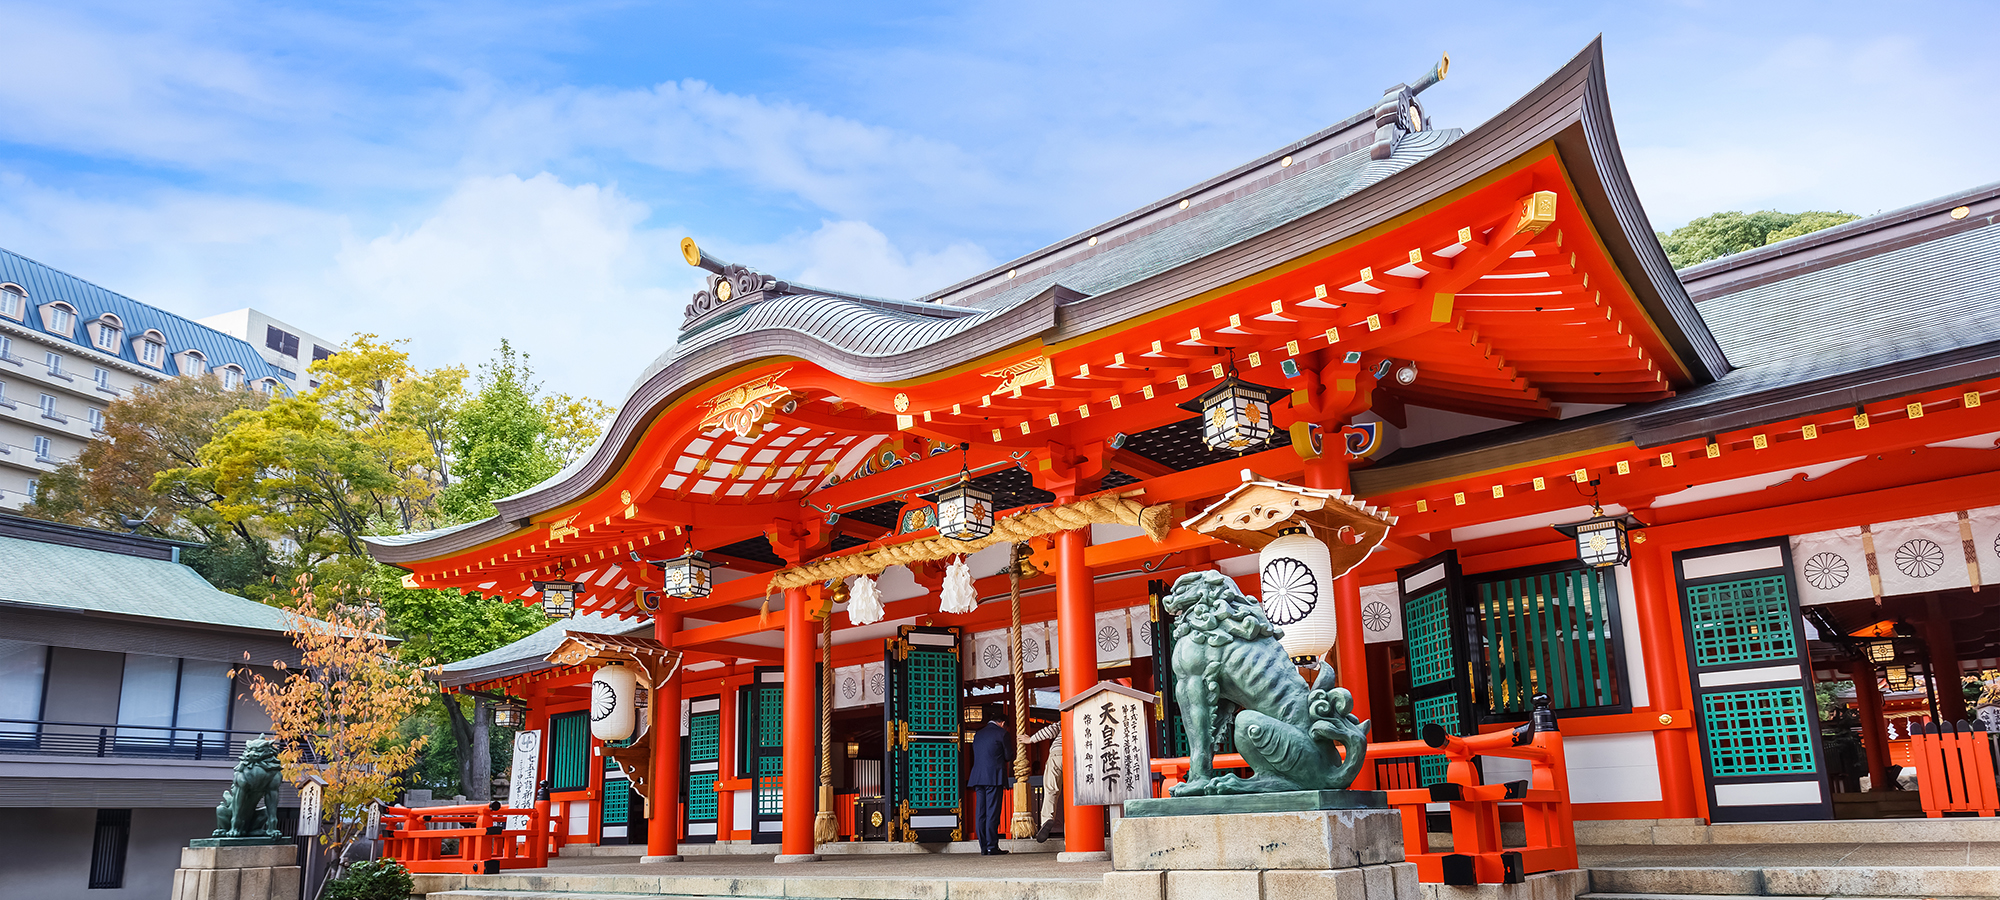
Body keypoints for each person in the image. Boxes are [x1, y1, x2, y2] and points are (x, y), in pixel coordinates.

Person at [967, 704, 1014, 855]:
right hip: (994, 777)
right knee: (992, 813)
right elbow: (1008, 756)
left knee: (981, 813)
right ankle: (992, 846)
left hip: (978, 777)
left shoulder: (978, 734)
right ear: (1002, 723)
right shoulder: (1002, 734)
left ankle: (983, 847)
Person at [1027, 719, 1062, 842]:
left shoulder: (1068, 713)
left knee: (1051, 790)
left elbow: (1050, 731)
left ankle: (1047, 819)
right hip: (1080, 754)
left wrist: (1030, 739)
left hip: (1058, 753)